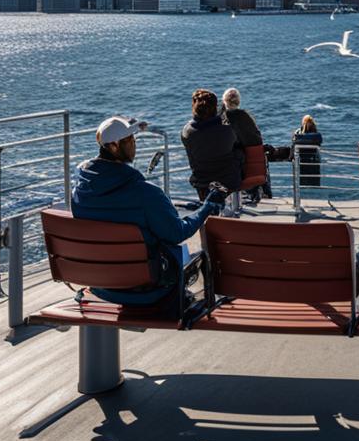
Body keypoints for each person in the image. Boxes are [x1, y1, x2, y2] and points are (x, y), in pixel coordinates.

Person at [71, 116, 221, 314]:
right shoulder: (145, 193)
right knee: (193, 255)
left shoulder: (79, 191)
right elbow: (176, 233)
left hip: (100, 284)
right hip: (146, 289)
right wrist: (207, 207)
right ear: (114, 147)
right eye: (130, 140)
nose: (134, 144)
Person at [181, 89, 242, 202]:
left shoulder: (187, 132)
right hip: (229, 181)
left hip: (202, 183)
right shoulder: (227, 129)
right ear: (215, 107)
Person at [221, 88, 269, 199]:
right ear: (238, 101)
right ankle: (263, 191)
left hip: (229, 170)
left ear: (224, 101)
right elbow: (256, 137)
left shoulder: (222, 120)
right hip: (254, 170)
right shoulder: (246, 118)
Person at [292, 115, 323, 188]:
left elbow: (293, 143)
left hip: (301, 160)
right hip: (314, 160)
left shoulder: (297, 133)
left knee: (302, 183)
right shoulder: (317, 135)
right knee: (314, 182)